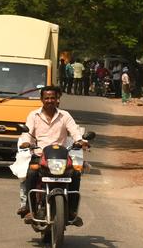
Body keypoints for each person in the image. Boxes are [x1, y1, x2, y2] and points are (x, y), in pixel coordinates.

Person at [16, 85, 88, 223]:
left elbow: (74, 131)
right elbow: (27, 133)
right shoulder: (33, 115)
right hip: (40, 155)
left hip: (60, 156)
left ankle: (72, 211)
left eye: (53, 98)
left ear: (57, 99)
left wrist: (80, 141)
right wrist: (26, 142)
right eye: (47, 98)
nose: (50, 100)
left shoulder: (65, 115)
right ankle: (30, 209)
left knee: (75, 173)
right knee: (31, 173)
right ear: (41, 99)